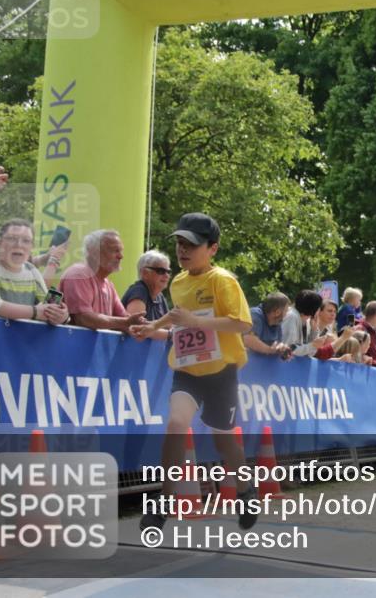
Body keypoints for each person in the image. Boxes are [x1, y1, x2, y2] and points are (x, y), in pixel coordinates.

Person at [132, 212, 258, 532]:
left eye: (191, 245)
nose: (183, 250)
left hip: (220, 372)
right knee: (176, 424)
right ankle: (164, 501)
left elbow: (242, 323)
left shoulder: (222, 280)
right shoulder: (178, 282)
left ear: (212, 248)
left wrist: (198, 322)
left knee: (224, 443)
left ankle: (246, 489)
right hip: (187, 368)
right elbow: (178, 315)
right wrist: (153, 326)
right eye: (179, 243)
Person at [0, 219, 69, 325]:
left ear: (32, 247)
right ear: (0, 243)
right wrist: (35, 312)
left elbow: (47, 306)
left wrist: (62, 315)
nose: (18, 244)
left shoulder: (32, 270)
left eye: (26, 241)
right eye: (12, 239)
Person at [59, 229, 144, 331]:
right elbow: (83, 319)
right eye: (115, 250)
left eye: (121, 251)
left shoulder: (108, 284)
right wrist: (126, 322)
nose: (121, 256)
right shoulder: (78, 275)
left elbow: (125, 319)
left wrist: (152, 326)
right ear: (94, 252)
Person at [122, 251, 172, 340]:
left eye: (168, 272)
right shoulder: (139, 291)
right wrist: (171, 335)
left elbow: (170, 325)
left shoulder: (160, 297)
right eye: (161, 271)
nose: (167, 275)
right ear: (145, 273)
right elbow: (136, 328)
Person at [281, 290, 329, 357]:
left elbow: (310, 353)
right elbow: (287, 350)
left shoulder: (307, 322)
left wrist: (314, 331)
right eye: (319, 308)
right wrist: (312, 345)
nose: (319, 311)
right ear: (313, 308)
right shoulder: (291, 317)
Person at [243, 292, 291, 357]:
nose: (287, 314)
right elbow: (248, 339)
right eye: (286, 311)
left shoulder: (277, 322)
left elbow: (277, 344)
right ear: (277, 312)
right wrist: (270, 350)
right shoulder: (255, 314)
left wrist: (282, 348)